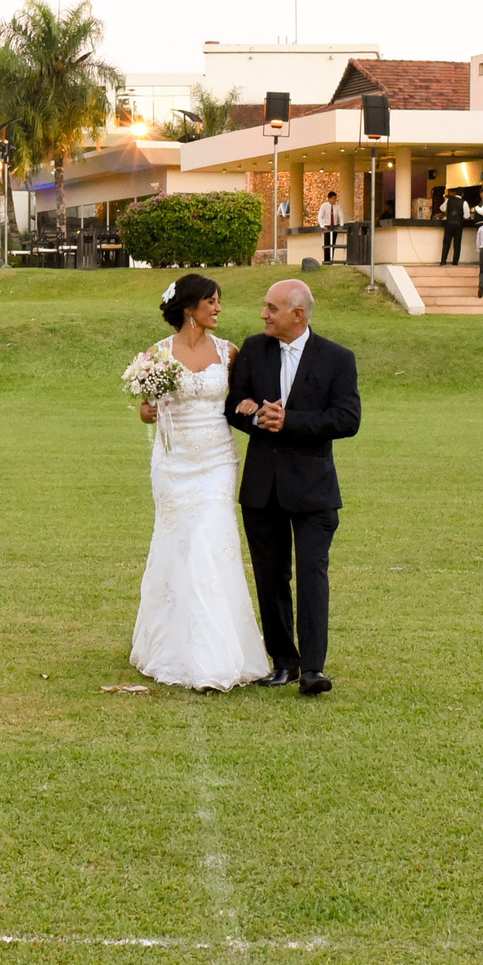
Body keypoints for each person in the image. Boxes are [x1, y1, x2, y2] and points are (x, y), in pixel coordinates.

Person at [130, 274, 268, 691]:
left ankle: (215, 655)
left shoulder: (229, 352)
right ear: (189, 307)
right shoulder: (158, 354)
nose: (218, 308)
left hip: (217, 460)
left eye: (218, 301)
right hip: (173, 464)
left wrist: (249, 402)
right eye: (211, 302)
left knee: (211, 542)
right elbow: (146, 408)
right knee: (177, 545)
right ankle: (174, 646)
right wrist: (147, 412)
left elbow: (241, 396)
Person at [225, 279, 361, 696]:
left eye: (272, 308)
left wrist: (290, 421)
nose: (263, 314)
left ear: (297, 314)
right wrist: (254, 415)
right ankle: (284, 662)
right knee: (270, 578)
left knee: (312, 576)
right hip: (262, 488)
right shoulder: (253, 349)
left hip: (314, 490)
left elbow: (347, 419)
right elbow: (233, 405)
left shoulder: (338, 358)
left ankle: (313, 669)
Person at [439, 185, 471, 265]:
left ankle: (443, 261)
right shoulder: (464, 202)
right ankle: (455, 262)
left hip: (449, 224)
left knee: (446, 243)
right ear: (463, 194)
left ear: (455, 193)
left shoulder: (449, 200)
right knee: (457, 244)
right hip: (458, 225)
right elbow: (467, 215)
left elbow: (442, 208)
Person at [315, 190, 343, 262]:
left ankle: (331, 259)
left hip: (334, 226)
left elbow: (340, 215)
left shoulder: (337, 206)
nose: (335, 200)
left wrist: (341, 225)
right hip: (327, 227)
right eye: (333, 198)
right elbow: (320, 216)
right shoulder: (324, 206)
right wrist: (322, 226)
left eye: (335, 198)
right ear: (329, 198)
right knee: (327, 244)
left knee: (333, 243)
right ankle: (326, 260)